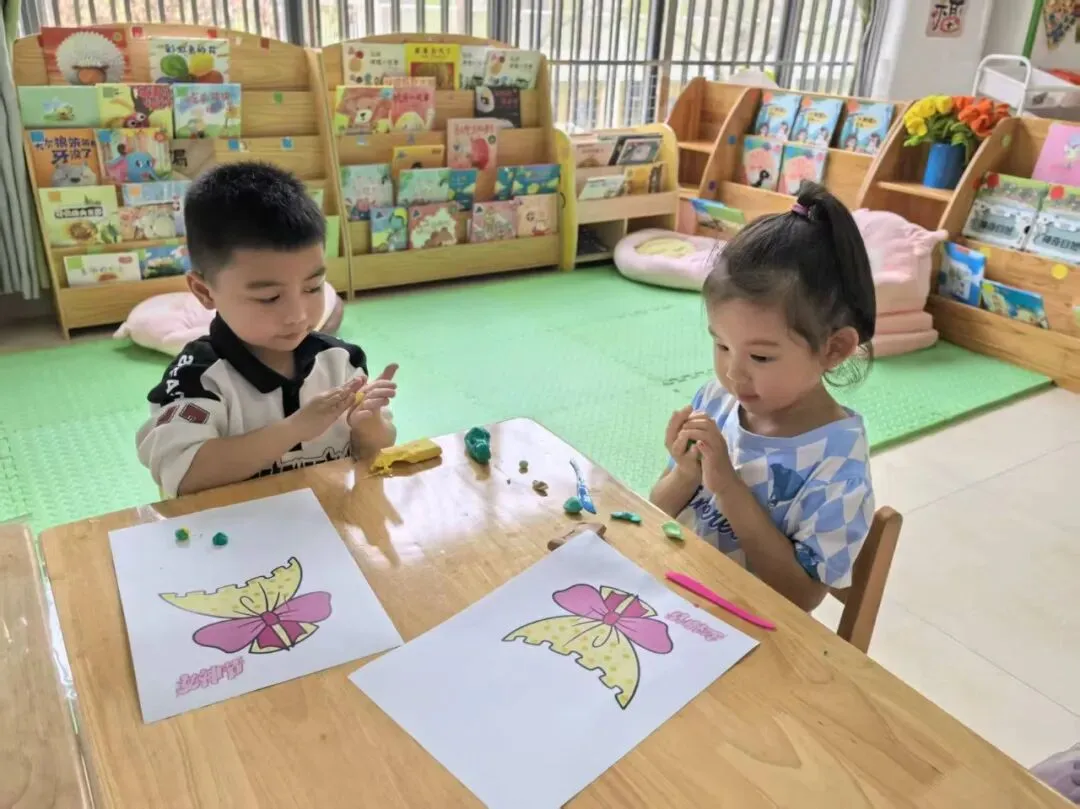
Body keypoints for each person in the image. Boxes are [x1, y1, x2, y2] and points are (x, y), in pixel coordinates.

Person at [649, 181, 876, 611]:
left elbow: (801, 596)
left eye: (760, 356)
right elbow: (654, 514)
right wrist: (684, 474)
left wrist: (728, 488)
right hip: (671, 597)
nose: (734, 373)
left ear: (834, 349)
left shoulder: (837, 464)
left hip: (749, 629)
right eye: (721, 345)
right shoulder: (716, 401)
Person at [136, 162, 397, 497]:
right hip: (233, 527)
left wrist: (369, 426)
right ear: (204, 291)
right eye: (269, 297)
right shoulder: (196, 377)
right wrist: (295, 428)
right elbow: (182, 474)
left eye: (313, 287)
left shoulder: (340, 361)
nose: (297, 315)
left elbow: (373, 452)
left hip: (327, 518)